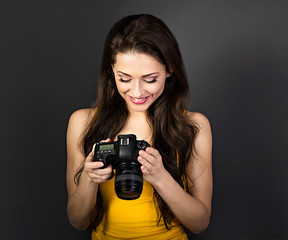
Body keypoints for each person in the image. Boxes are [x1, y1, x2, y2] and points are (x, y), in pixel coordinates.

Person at [66, 14, 213, 240]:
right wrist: (90, 177)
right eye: (124, 79)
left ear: (169, 69)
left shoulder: (193, 126)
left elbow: (200, 223)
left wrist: (160, 177)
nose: (136, 92)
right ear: (111, 71)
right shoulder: (83, 122)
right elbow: (77, 221)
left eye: (150, 79)